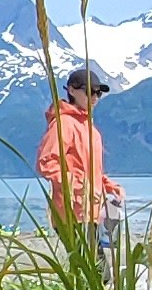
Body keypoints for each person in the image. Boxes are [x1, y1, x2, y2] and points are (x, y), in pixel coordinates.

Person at [38, 67, 123, 253]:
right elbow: (46, 162)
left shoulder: (90, 128)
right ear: (71, 90)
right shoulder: (63, 123)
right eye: (90, 91)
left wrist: (107, 185)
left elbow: (89, 169)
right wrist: (78, 186)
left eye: (98, 93)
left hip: (93, 211)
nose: (95, 97)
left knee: (97, 264)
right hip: (71, 212)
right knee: (93, 265)